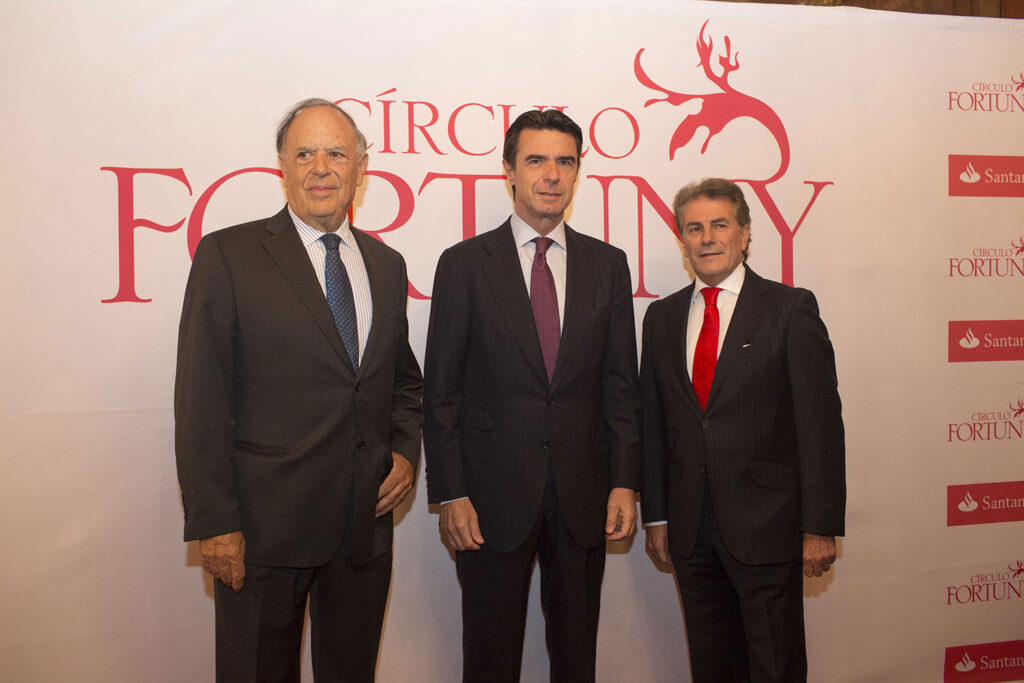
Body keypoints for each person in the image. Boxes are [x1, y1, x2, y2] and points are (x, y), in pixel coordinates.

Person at [174, 98, 423, 682]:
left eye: (336, 153)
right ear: (281, 166)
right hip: (261, 535)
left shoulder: (387, 266)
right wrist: (214, 521)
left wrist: (406, 454)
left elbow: (403, 383)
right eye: (304, 153)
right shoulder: (228, 255)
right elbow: (201, 401)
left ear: (361, 167)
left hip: (362, 533)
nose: (320, 167)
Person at [422, 109, 642, 683]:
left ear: (578, 171)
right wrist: (451, 493)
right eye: (536, 160)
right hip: (489, 499)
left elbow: (621, 387)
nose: (552, 174)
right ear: (509, 172)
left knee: (576, 660)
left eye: (565, 161)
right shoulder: (464, 265)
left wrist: (624, 481)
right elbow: (440, 393)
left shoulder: (608, 265)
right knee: (490, 660)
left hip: (583, 494)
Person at [641, 178, 845, 682]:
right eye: (694, 228)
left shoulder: (789, 308)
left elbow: (820, 427)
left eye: (719, 225)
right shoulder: (660, 317)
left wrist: (820, 525)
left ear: (745, 233)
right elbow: (652, 423)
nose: (707, 237)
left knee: (774, 666)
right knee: (712, 667)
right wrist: (658, 517)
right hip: (690, 530)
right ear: (682, 238)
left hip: (769, 527)